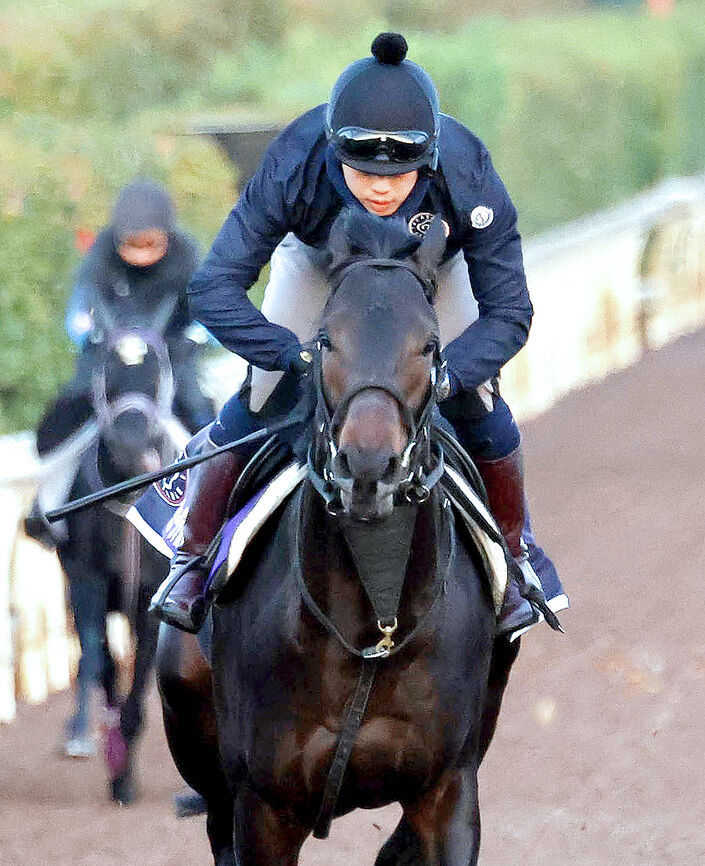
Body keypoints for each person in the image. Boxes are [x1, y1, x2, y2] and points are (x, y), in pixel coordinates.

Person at [153, 33, 568, 637]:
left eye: (400, 173)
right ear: (331, 150)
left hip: (432, 276)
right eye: (362, 170)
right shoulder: (294, 163)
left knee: (478, 402)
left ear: (428, 157)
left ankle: (515, 558)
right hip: (321, 266)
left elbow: (510, 311)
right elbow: (213, 287)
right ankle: (191, 559)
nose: (379, 187)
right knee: (264, 394)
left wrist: (449, 372)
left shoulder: (468, 172)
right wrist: (289, 356)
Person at [35, 179, 214, 459]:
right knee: (71, 402)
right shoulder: (99, 260)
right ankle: (47, 472)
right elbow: (79, 314)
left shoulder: (188, 259)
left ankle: (212, 464)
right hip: (110, 356)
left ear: (167, 235)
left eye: (150, 243)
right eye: (132, 243)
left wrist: (193, 339)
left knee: (195, 403)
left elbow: (212, 312)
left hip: (171, 356)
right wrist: (91, 336)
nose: (141, 252)